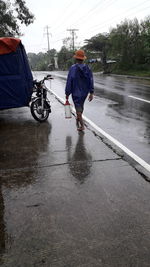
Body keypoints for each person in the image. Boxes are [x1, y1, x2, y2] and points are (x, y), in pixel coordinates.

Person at [65, 50, 94, 131]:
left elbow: (69, 81)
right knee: (81, 106)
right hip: (84, 92)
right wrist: (91, 92)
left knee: (78, 109)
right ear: (83, 59)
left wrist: (67, 93)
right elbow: (91, 80)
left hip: (76, 92)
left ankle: (82, 125)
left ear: (76, 58)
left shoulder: (73, 68)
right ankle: (78, 117)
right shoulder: (88, 68)